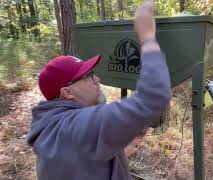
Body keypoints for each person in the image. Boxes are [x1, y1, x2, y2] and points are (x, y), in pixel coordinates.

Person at [27, 1, 171, 179]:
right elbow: (153, 97)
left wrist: (116, 152)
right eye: (88, 76)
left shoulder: (51, 126)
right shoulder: (78, 127)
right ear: (67, 93)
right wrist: (148, 36)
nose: (97, 79)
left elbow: (79, 161)